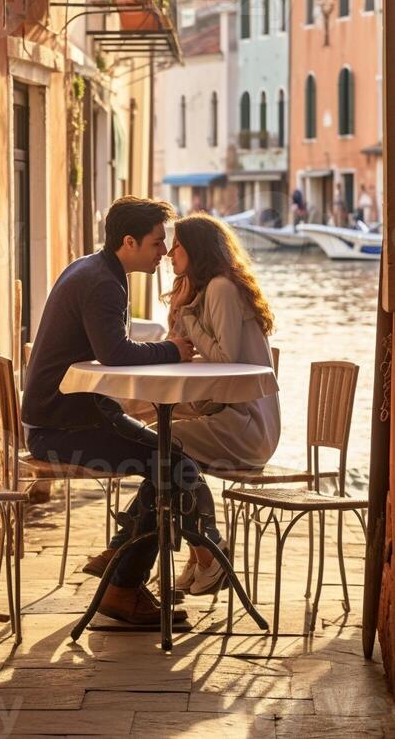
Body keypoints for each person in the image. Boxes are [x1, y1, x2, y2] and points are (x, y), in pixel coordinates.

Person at [22, 196, 221, 626]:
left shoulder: (96, 270)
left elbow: (109, 351)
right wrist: (173, 348)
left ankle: (122, 555)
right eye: (155, 243)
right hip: (62, 429)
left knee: (171, 464)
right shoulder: (102, 281)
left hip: (74, 418)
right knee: (175, 467)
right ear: (128, 242)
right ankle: (125, 588)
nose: (164, 252)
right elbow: (114, 353)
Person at [88, 213, 279, 597]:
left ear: (197, 250)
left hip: (244, 426)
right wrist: (181, 309)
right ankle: (201, 553)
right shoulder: (204, 290)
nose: (170, 252)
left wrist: (189, 318)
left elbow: (224, 362)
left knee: (163, 448)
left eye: (176, 245)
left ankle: (136, 548)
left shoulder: (224, 288)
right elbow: (180, 354)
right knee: (162, 450)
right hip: (220, 416)